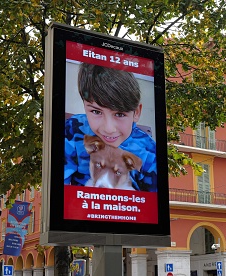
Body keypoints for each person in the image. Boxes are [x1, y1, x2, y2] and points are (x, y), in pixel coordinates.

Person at [64, 63, 157, 192]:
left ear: (136, 112)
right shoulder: (73, 130)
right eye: (96, 112)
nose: (108, 128)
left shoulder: (150, 153)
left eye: (119, 114)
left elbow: (152, 206)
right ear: (84, 105)